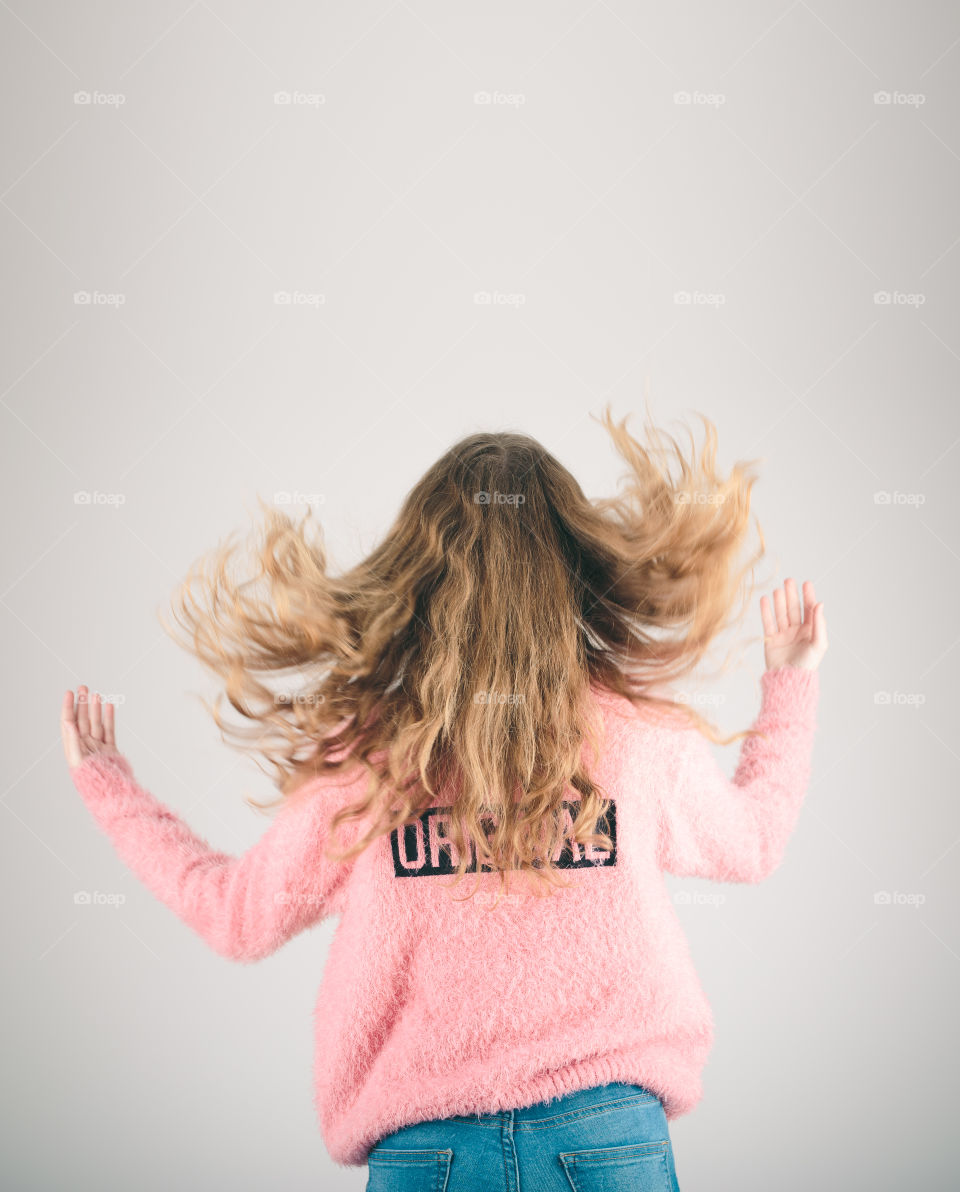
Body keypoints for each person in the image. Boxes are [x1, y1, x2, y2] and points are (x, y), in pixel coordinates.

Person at [61, 405, 827, 1191]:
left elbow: (235, 915)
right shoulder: (637, 738)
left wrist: (107, 785)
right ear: (574, 564)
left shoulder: (365, 759)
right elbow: (755, 839)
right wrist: (791, 682)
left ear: (415, 575)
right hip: (609, 1146)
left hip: (429, 1157)